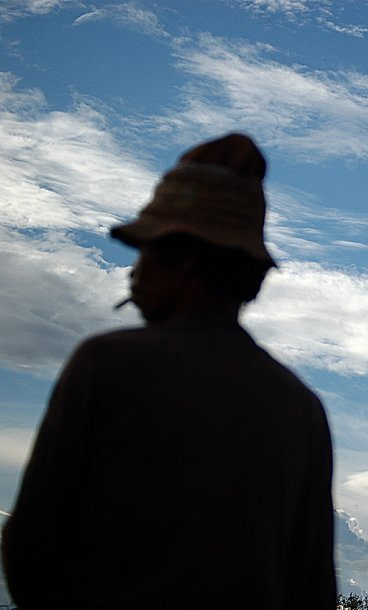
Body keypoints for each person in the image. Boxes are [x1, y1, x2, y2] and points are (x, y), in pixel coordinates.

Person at [1, 133, 337, 609]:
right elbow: (313, 589)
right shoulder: (302, 408)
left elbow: (32, 545)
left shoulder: (106, 364)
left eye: (147, 253)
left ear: (186, 261)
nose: (134, 274)